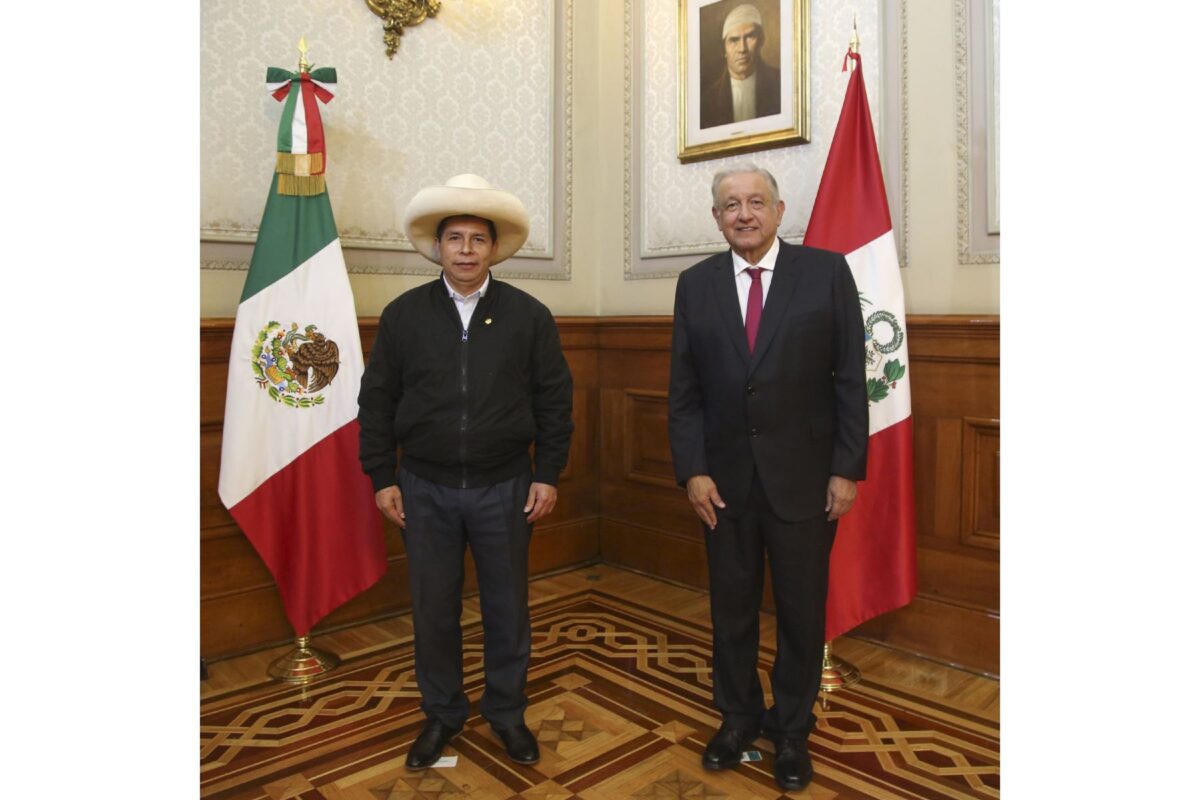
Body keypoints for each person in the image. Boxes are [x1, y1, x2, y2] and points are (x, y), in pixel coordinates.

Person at [357, 173, 574, 770]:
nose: (466, 250)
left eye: (478, 239)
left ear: (493, 248)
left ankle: (506, 712)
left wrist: (548, 472)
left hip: (506, 487)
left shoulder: (529, 316)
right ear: (438, 247)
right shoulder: (403, 315)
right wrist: (382, 476)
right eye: (455, 238)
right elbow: (376, 401)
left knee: (508, 608)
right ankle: (442, 713)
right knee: (433, 609)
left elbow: (555, 402)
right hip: (423, 489)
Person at [667, 166, 867, 791]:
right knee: (731, 610)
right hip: (723, 486)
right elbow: (684, 393)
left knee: (802, 613)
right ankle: (737, 718)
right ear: (717, 218)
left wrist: (846, 468)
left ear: (780, 211)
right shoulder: (695, 285)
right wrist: (693, 470)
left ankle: (793, 730)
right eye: (731, 205)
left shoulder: (826, 273)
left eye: (756, 202)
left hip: (805, 481)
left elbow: (850, 379)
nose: (744, 214)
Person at [700, 3, 782, 129]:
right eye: (734, 40)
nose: (742, 49)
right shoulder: (707, 101)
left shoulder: (780, 83)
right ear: (724, 49)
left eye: (749, 37)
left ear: (760, 41)